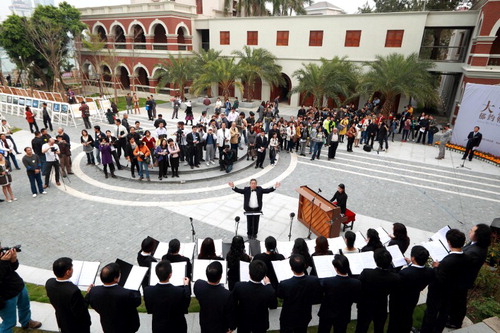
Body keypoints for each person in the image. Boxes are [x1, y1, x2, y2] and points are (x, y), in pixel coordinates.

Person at [420, 229, 470, 333]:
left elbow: (439, 279)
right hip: (452, 292)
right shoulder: (466, 257)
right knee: (443, 313)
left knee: (431, 314)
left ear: (449, 242)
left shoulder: (448, 261)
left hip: (439, 294)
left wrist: (435, 267)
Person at [449, 224, 492, 328]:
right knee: (457, 300)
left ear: (478, 236)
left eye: (472, 231)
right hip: (462, 279)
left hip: (462, 280)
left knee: (458, 301)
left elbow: (460, 264)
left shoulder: (475, 252)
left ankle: (455, 322)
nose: (469, 232)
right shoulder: (476, 244)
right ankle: (453, 318)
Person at [387, 246, 434, 333]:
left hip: (398, 301)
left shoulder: (404, 273)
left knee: (394, 320)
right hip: (413, 297)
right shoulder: (430, 271)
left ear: (413, 258)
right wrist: (410, 263)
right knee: (408, 315)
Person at [86, 263, 141, 333]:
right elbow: (137, 302)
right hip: (127, 327)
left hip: (107, 326)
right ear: (116, 278)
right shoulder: (127, 293)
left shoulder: (93, 291)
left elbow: (92, 304)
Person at [355, 248, 400, 333]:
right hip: (381, 305)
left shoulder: (366, 273)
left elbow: (359, 286)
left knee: (361, 327)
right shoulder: (394, 277)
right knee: (379, 328)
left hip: (365, 305)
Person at [229, 260, 277, 333]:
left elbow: (232, 304)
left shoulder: (239, 286)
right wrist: (268, 284)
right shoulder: (269, 290)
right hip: (261, 325)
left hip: (243, 323)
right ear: (264, 275)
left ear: (249, 273)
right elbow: (273, 305)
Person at [277, 254, 323, 333]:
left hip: (288, 316)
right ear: (305, 266)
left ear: (291, 268)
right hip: (304, 315)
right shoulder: (313, 280)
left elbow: (280, 295)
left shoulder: (285, 284)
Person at [45, 257, 91, 333]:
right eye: (71, 268)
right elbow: (81, 310)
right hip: (77, 326)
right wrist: (88, 294)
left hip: (62, 319)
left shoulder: (49, 283)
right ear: (68, 272)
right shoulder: (73, 291)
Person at [0, 247, 42, 331]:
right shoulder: (2, 260)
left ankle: (26, 322)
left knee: (24, 307)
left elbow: (13, 268)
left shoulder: (2, 255)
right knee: (9, 322)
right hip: (6, 296)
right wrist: (3, 262)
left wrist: (13, 260)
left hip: (18, 286)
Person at [318, 254, 362, 333]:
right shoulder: (356, 283)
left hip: (327, 313)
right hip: (343, 314)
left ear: (336, 268)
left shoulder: (327, 282)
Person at [144, 260, 191, 333]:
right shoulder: (179, 291)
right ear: (170, 275)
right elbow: (185, 305)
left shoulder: (148, 291)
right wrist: (186, 285)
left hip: (159, 327)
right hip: (177, 327)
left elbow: (150, 309)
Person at [194, 261, 232, 333]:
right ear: (220, 276)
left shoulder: (198, 285)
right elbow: (230, 313)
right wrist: (232, 327)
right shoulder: (227, 294)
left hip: (205, 324)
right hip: (220, 327)